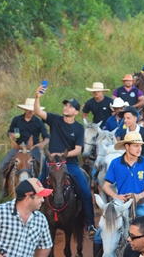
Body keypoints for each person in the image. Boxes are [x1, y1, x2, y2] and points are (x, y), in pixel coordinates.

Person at [82, 130, 144, 257]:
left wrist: (138, 196)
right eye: (136, 146)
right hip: (119, 205)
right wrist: (116, 197)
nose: (139, 149)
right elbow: (107, 186)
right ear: (127, 147)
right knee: (98, 235)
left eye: (140, 146)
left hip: (140, 204)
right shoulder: (116, 163)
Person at [33, 86, 97, 235]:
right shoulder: (55, 120)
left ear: (76, 112)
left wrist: (61, 154)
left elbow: (78, 150)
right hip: (51, 164)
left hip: (70, 164)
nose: (66, 108)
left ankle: (90, 225)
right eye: (66, 105)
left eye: (70, 106)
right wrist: (37, 97)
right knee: (37, 190)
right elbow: (38, 111)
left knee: (86, 193)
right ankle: (33, 224)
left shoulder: (79, 128)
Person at [0, 98, 50, 202]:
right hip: (18, 148)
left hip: (33, 148)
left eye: (33, 109)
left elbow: (47, 137)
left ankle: (42, 190)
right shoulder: (17, 120)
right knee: (1, 167)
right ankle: (3, 190)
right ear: (25, 110)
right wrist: (11, 135)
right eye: (29, 109)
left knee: (45, 168)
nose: (31, 111)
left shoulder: (38, 122)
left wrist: (42, 144)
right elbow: (9, 132)